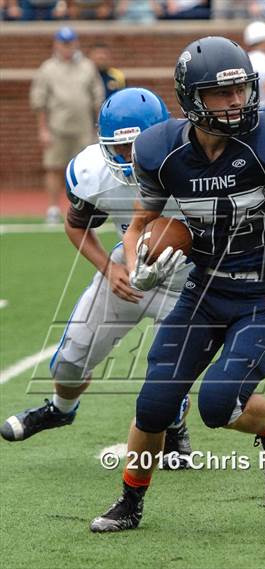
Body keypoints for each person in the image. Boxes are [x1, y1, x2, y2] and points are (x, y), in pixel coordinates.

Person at [89, 36, 265, 533]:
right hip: (204, 288)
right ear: (192, 97)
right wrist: (137, 262)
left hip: (263, 292)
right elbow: (140, 223)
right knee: (155, 402)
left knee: (218, 403)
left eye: (241, 90)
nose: (237, 102)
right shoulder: (162, 151)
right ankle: (129, 500)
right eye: (222, 93)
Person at [0, 88, 193, 469]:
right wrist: (109, 267)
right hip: (129, 269)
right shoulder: (93, 172)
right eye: (117, 148)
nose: (125, 158)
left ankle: (175, 428)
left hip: (188, 276)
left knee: (166, 377)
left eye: (134, 147)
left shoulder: (195, 163)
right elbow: (76, 226)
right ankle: (60, 409)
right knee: (69, 362)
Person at [29, 27, 104, 225]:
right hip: (57, 128)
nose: (67, 47)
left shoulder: (87, 66)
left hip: (83, 129)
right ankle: (53, 208)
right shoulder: (47, 68)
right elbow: (39, 101)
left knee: (88, 170)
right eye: (63, 43)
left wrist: (98, 127)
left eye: (70, 43)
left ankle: (88, 210)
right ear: (56, 44)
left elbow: (97, 98)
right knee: (54, 168)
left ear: (76, 43)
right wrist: (43, 129)